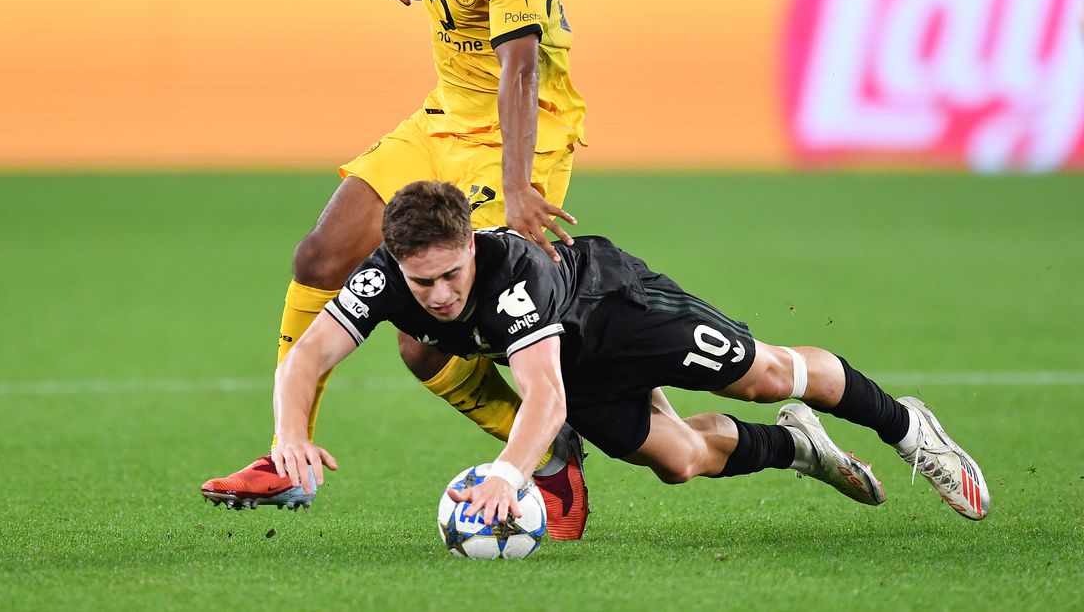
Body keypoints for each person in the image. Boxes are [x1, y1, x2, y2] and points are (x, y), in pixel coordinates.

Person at [201, 0, 591, 539]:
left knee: (425, 336)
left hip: (516, 133)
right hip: (443, 117)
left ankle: (550, 453)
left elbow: (519, 68)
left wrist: (518, 187)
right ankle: (287, 453)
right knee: (319, 255)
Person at [272, 181, 991, 530]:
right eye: (420, 281)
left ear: (470, 244)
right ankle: (798, 448)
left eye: (451, 275)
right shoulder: (382, 278)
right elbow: (305, 358)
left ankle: (908, 428)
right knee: (680, 462)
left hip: (622, 311)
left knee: (767, 376)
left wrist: (505, 474)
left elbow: (544, 398)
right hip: (577, 365)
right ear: (396, 262)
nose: (438, 295)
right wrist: (290, 433)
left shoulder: (513, 276)